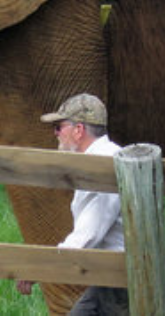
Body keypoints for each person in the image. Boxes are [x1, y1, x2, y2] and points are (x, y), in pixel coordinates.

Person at [16, 94, 128, 315]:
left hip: (120, 279)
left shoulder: (99, 169)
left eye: (59, 127)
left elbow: (87, 235)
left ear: (78, 131)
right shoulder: (106, 158)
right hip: (113, 276)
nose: (55, 134)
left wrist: (40, 268)